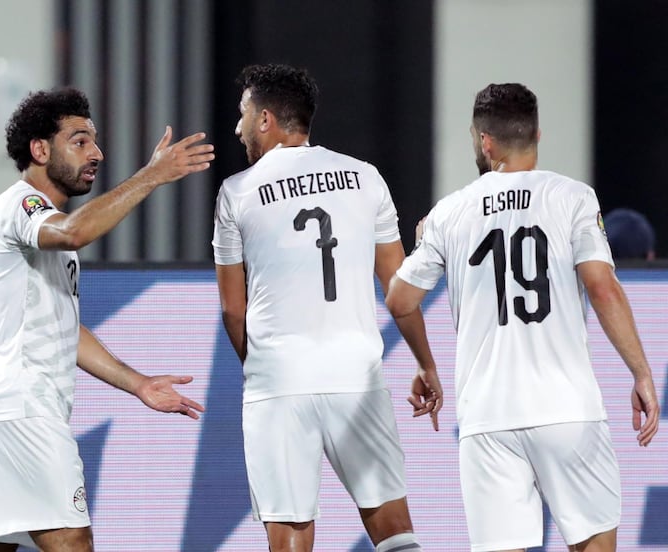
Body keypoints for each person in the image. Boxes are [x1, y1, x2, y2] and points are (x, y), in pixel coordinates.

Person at [385, 83, 660, 552]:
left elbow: (399, 300)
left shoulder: (449, 214)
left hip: (488, 416)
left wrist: (425, 365)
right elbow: (601, 286)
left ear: (484, 141)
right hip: (566, 407)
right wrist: (641, 372)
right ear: (537, 133)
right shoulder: (573, 198)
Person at [0, 87, 214, 552]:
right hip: (25, 413)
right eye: (79, 141)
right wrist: (150, 177)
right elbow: (75, 232)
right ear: (40, 150)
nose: (96, 153)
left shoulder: (45, 230)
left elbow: (64, 331)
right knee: (74, 543)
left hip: (3, 415)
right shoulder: (21, 205)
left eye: (94, 141)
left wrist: (138, 384)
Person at [212, 63, 441, 552]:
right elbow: (400, 289)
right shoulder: (367, 177)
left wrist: (260, 369)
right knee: (393, 524)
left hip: (279, 377)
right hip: (355, 372)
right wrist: (426, 363)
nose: (238, 127)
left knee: (291, 527)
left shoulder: (236, 192)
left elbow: (233, 310)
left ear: (267, 119)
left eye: (243, 115)